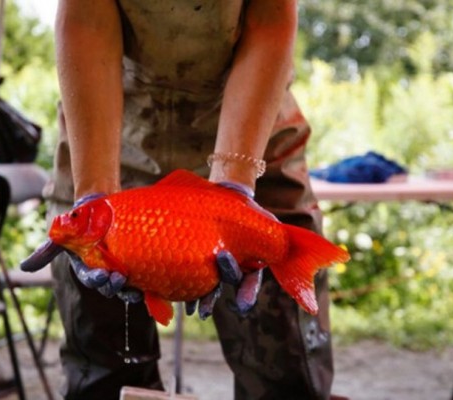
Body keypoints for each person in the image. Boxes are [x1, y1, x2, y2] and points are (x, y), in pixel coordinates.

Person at [43, 1, 334, 398]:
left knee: (285, 373)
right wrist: (94, 194)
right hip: (110, 129)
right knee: (103, 373)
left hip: (254, 131)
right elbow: (86, 19)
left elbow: (270, 19)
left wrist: (233, 187)